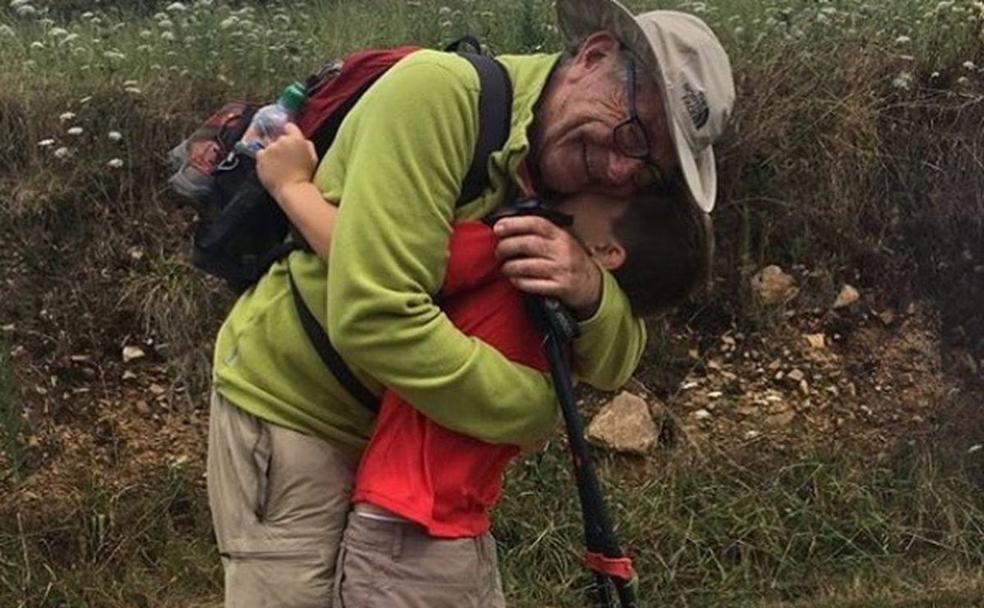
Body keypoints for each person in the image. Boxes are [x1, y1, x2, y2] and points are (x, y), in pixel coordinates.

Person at [205, 0, 735, 605]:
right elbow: (376, 316)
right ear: (594, 55)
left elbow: (615, 360)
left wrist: (590, 292)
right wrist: (538, 410)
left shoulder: (581, 190)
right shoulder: (439, 99)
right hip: (297, 412)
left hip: (398, 445)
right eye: (632, 132)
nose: (619, 169)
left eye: (645, 169)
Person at [330, 190, 712, 607]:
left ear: (606, 250)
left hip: (402, 524)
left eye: (611, 193)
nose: (600, 179)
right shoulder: (574, 322)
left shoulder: (513, 245)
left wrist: (288, 188)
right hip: (465, 529)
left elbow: (371, 260)